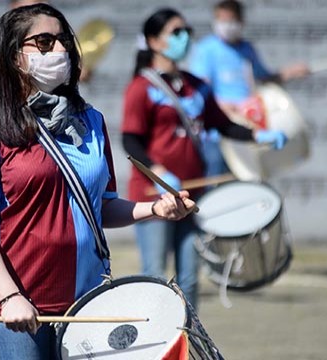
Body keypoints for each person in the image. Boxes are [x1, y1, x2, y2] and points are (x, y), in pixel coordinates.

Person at [0, 4, 196, 359]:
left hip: (86, 303)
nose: (59, 50)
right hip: (19, 306)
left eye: (64, 40)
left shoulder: (91, 121)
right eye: (44, 42)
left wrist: (155, 209)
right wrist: (10, 295)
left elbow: (101, 207)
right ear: (13, 55)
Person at [121, 7, 287, 308]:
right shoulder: (141, 87)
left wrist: (257, 135)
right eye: (176, 32)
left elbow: (222, 125)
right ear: (154, 41)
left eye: (187, 32)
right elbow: (130, 139)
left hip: (193, 195)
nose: (184, 38)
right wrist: (158, 172)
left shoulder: (197, 86)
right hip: (155, 197)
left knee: (190, 279)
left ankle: (188, 345)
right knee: (155, 275)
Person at [188, 0, 309, 176]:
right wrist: (221, 105)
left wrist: (290, 73)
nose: (227, 26)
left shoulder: (246, 49)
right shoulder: (206, 49)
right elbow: (198, 88)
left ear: (241, 21)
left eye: (231, 21)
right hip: (217, 134)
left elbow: (265, 78)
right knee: (215, 185)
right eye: (222, 21)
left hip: (245, 127)